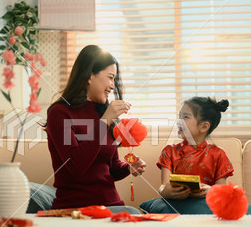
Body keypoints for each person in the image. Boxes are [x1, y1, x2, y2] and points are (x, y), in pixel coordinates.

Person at [45, 45, 146, 213]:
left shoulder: (102, 113)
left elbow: (111, 167)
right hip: (74, 208)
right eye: (110, 77)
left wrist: (129, 168)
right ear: (90, 75)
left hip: (111, 205)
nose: (113, 86)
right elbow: (75, 167)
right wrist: (104, 121)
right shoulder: (60, 113)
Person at [157, 96, 233, 199]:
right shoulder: (169, 151)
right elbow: (164, 185)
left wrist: (212, 191)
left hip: (206, 205)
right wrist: (164, 192)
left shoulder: (218, 154)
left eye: (186, 117)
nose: (179, 121)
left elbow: (222, 190)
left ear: (204, 126)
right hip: (177, 203)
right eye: (180, 116)